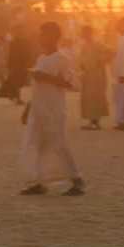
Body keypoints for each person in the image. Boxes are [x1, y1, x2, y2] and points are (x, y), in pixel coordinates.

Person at [19, 22, 85, 196]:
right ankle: (39, 182)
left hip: (54, 109)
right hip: (38, 109)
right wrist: (28, 108)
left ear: (54, 37)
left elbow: (74, 84)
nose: (40, 38)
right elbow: (37, 88)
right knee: (36, 145)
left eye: (43, 34)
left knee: (58, 144)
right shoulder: (41, 58)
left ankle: (77, 180)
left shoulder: (62, 58)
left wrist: (47, 77)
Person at [79, 25, 113, 130]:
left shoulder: (98, 43)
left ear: (90, 33)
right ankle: (92, 121)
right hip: (88, 75)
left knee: (96, 97)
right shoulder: (84, 45)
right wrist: (82, 66)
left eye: (86, 33)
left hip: (97, 75)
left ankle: (95, 122)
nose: (84, 35)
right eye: (83, 33)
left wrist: (100, 61)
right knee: (88, 98)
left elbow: (111, 52)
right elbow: (81, 59)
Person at [0, 26, 32, 104]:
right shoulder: (18, 42)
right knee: (17, 82)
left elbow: (26, 53)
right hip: (18, 65)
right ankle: (17, 98)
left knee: (16, 82)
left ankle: (13, 95)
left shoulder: (22, 41)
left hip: (20, 65)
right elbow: (13, 54)